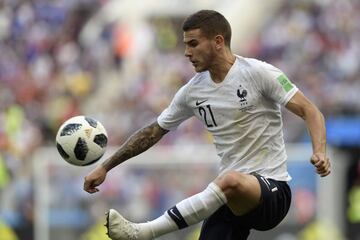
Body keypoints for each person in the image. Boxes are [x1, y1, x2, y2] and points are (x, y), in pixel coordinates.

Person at [83, 10, 331, 240]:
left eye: (193, 44)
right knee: (228, 184)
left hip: (272, 191)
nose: (186, 53)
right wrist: (105, 167)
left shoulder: (259, 73)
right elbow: (151, 133)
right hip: (229, 199)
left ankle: (142, 232)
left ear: (218, 41)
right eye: (185, 45)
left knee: (230, 180)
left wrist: (319, 151)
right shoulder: (191, 92)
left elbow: (311, 111)